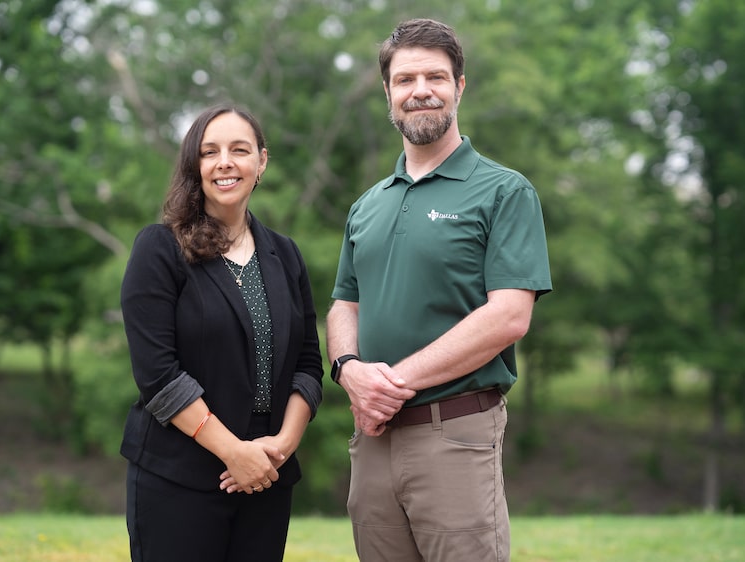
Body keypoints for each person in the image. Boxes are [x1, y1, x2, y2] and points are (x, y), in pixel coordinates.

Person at [326, 18, 552, 562]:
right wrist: (349, 370)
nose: (420, 90)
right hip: (373, 441)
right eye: (405, 80)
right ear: (388, 92)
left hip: (455, 431)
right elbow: (343, 304)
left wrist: (391, 383)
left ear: (459, 86)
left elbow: (508, 318)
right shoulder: (367, 204)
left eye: (435, 76)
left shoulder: (503, 191)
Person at [120, 104, 323, 562]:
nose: (225, 162)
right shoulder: (160, 248)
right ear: (195, 166)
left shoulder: (286, 255)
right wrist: (234, 452)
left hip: (269, 475)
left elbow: (308, 365)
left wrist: (281, 447)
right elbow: (158, 376)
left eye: (239, 150)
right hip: (179, 476)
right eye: (210, 152)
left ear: (262, 162)